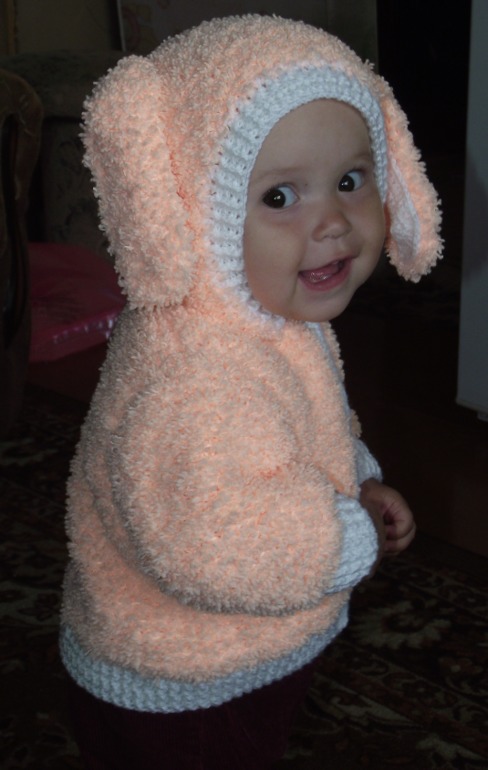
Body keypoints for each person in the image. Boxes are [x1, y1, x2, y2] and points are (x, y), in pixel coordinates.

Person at [59, 14, 442, 769]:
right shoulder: (194, 381)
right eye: (279, 197)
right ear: (191, 216)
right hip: (184, 682)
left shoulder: (266, 314)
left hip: (235, 652)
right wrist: (349, 537)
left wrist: (358, 479)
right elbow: (214, 541)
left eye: (351, 181)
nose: (332, 222)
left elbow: (301, 424)